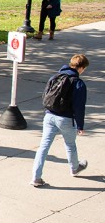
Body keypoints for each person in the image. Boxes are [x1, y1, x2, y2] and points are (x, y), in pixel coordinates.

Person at [32, 54, 90, 187]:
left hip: (49, 115)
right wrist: (80, 125)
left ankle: (36, 177)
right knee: (70, 144)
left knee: (43, 147)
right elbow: (79, 106)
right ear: (81, 68)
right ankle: (75, 168)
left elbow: (46, 95)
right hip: (66, 118)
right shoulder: (78, 83)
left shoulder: (55, 76)